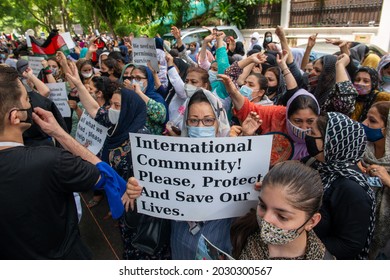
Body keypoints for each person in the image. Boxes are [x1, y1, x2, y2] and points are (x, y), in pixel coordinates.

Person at [0, 65, 102, 259]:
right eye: (26, 99)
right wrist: (60, 133)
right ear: (15, 116)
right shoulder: (51, 161)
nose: (31, 104)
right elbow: (105, 177)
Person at [127, 89, 232, 260]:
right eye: (193, 120)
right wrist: (136, 191)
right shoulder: (168, 159)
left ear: (219, 121)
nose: (200, 127)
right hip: (181, 242)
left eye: (208, 120)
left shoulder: (236, 158)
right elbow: (153, 195)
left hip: (219, 244)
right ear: (186, 122)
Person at [304, 112, 376, 259]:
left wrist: (299, 245)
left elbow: (349, 245)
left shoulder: (351, 189)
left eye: (312, 133)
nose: (308, 136)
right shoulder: (317, 164)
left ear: (332, 142)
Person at [231, 161, 332, 260]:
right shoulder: (246, 230)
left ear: (311, 221)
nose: (266, 219)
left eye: (282, 216)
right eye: (263, 206)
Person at [359, 101, 390, 259]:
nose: (364, 123)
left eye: (372, 120)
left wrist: (387, 180)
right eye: (366, 118)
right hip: (359, 222)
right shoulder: (361, 147)